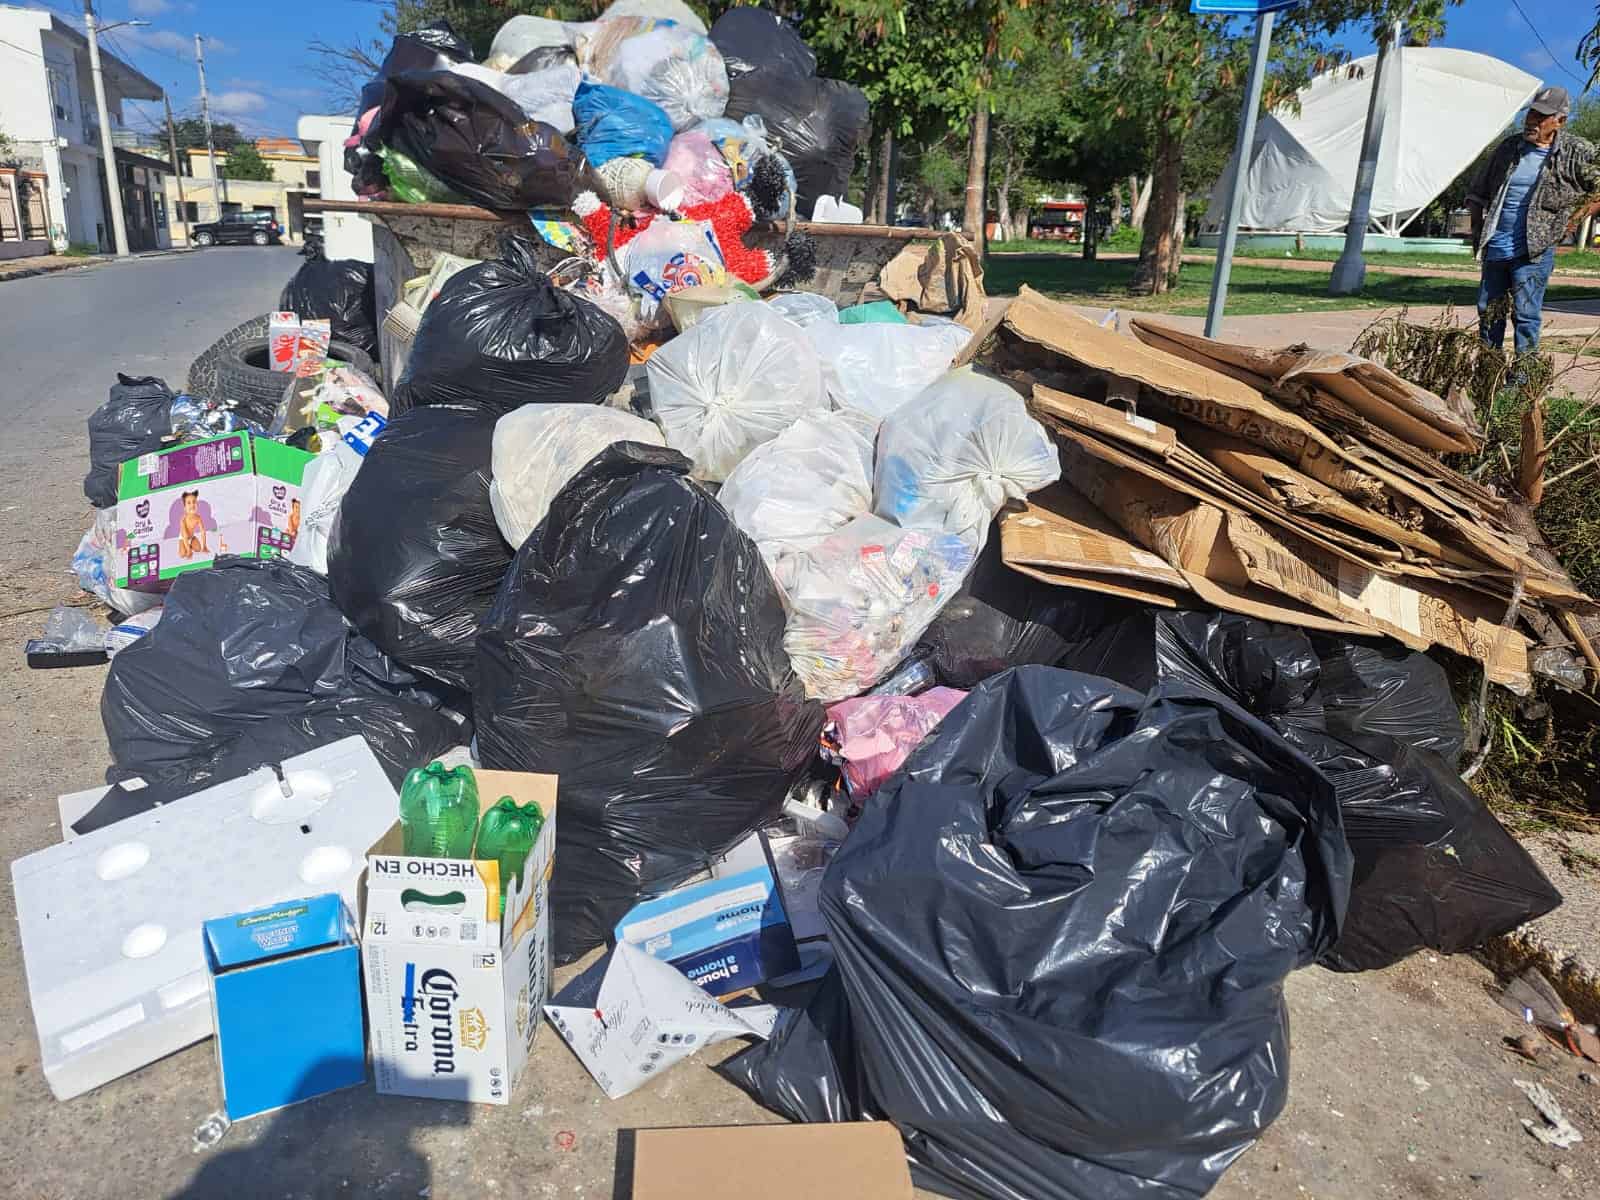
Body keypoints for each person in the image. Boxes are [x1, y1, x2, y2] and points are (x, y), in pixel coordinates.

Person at [1467, 86, 1598, 357]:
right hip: (1496, 245)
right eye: (1531, 113)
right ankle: (1488, 375)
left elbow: (1598, 188)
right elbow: (1477, 192)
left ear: (1560, 121)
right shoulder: (1508, 148)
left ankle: (1523, 382)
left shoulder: (1576, 152)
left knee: (1526, 315)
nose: (1532, 121)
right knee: (1489, 313)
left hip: (1535, 250)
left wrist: (1575, 219)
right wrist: (1477, 229)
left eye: (1542, 117)